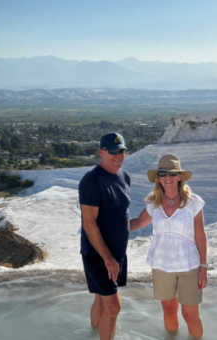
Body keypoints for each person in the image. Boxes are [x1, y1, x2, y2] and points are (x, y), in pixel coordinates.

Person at [130, 154, 208, 338]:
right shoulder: (153, 202)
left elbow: (200, 236)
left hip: (190, 266)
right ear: (158, 178)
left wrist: (203, 267)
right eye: (163, 173)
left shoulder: (193, 202)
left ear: (180, 176)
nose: (167, 177)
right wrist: (110, 223)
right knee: (169, 310)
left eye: (172, 174)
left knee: (191, 315)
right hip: (162, 265)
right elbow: (137, 223)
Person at [79, 132, 130, 340]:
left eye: (121, 151)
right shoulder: (92, 181)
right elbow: (89, 223)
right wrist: (107, 258)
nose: (118, 156)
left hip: (117, 253)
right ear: (102, 152)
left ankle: (93, 334)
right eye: (113, 152)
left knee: (102, 298)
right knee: (114, 306)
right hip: (99, 254)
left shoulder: (124, 176)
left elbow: (120, 215)